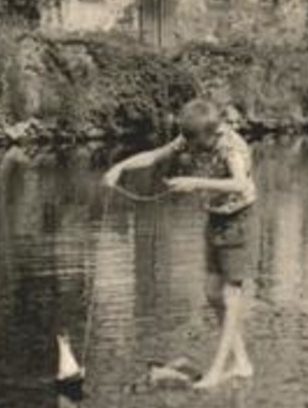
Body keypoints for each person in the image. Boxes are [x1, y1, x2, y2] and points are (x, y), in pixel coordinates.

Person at [102, 98, 256, 389]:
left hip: (240, 221)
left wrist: (195, 182)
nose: (192, 149)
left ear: (211, 134)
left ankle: (217, 371)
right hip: (216, 219)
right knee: (212, 293)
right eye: (189, 143)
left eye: (197, 144)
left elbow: (240, 184)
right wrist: (119, 168)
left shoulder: (232, 147)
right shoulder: (192, 135)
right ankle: (242, 362)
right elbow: (154, 156)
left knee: (230, 298)